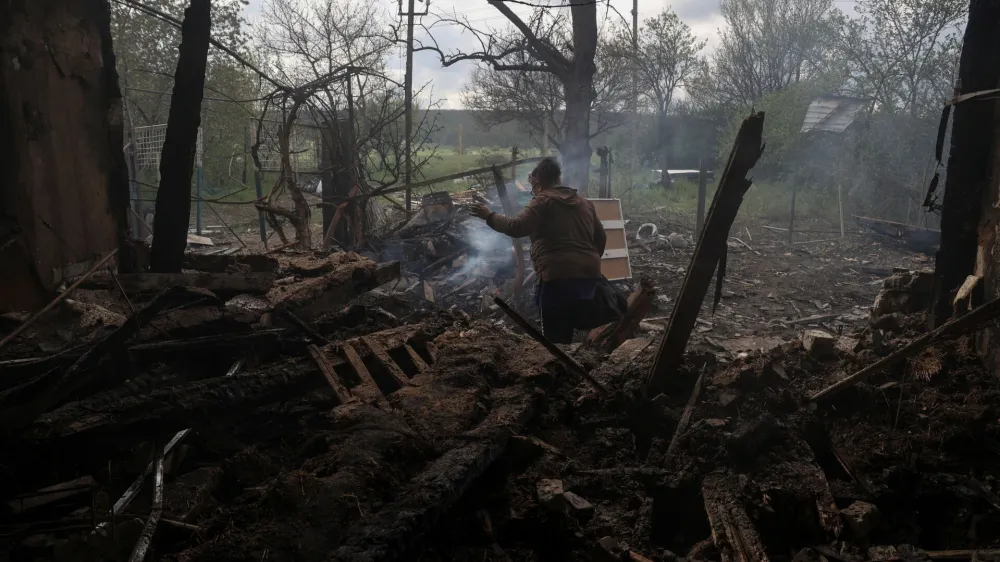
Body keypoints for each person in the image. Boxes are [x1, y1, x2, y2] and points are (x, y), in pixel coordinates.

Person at [470, 157, 609, 344]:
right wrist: (586, 262)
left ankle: (560, 365)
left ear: (539, 181)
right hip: (589, 275)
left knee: (554, 336)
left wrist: (489, 216)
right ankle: (583, 361)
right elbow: (601, 238)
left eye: (532, 181)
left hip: (556, 276)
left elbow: (517, 227)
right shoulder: (584, 203)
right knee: (577, 323)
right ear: (558, 178)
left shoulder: (542, 201)